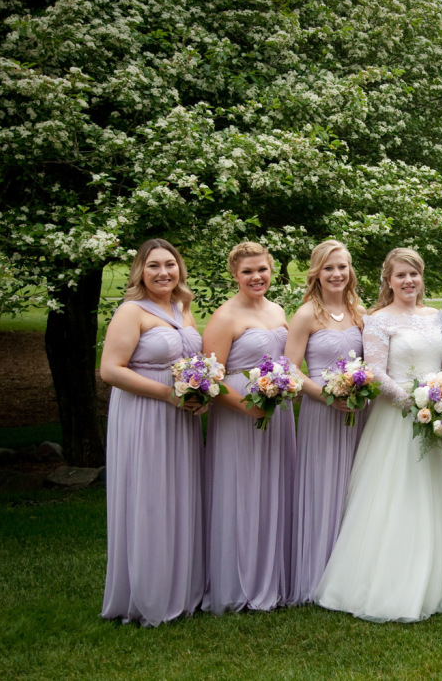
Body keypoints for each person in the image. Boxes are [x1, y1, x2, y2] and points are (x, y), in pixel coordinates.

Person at [314, 247, 442, 622]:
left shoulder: (436, 316)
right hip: (398, 421)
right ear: (389, 281)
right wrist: (416, 405)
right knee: (398, 496)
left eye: (414, 274)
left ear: (421, 277)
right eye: (401, 276)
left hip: (438, 415)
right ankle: (388, 581)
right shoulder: (377, 320)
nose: (408, 281)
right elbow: (376, 372)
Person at [100, 238, 205, 626]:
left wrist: (201, 391)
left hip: (181, 417)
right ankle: (146, 594)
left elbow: (191, 362)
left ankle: (180, 589)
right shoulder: (131, 311)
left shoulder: (182, 306)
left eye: (170, 265)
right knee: (149, 498)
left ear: (179, 268)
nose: (163, 272)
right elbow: (111, 370)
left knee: (179, 496)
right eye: (154, 266)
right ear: (140, 271)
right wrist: (168, 395)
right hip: (145, 414)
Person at [201, 242, 296, 613]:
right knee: (241, 492)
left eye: (262, 270)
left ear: (271, 270)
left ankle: (274, 578)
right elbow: (209, 379)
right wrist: (248, 408)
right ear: (235, 275)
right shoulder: (225, 317)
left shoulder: (278, 309)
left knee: (274, 489)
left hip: (277, 411)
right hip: (240, 413)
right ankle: (238, 585)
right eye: (247, 272)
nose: (256, 277)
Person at [285, 241, 367, 605]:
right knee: (323, 486)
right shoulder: (306, 314)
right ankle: (317, 575)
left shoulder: (359, 311)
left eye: (343, 267)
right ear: (316, 271)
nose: (337, 274)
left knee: (357, 486)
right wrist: (328, 396)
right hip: (322, 411)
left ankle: (354, 573)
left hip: (358, 411)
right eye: (329, 267)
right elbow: (289, 369)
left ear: (351, 271)